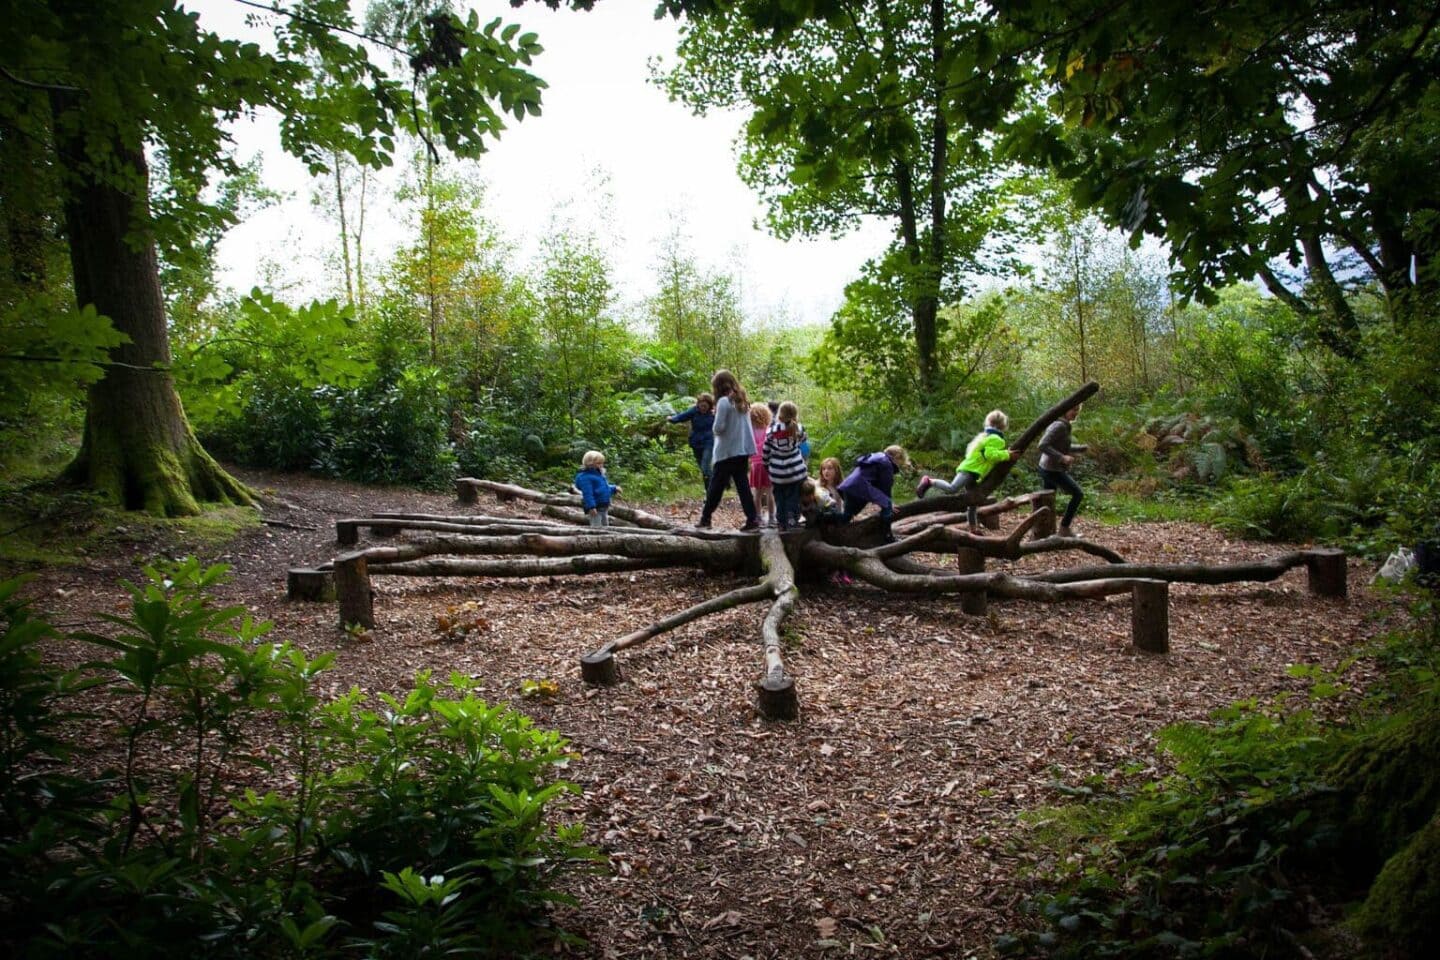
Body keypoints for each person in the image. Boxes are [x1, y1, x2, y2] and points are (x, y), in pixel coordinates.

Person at [916, 410, 1018, 533]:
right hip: (970, 470)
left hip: (974, 472)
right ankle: (929, 481)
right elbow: (989, 454)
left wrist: (1003, 454)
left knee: (972, 501)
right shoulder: (996, 438)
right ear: (1003, 426)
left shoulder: (986, 436)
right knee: (953, 488)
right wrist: (1007, 454)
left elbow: (987, 454)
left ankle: (972, 528)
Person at [697, 370, 760, 531]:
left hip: (726, 452)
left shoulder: (724, 402)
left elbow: (718, 428)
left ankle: (706, 518)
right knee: (743, 486)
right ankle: (752, 519)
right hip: (741, 451)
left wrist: (716, 416)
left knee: (715, 488)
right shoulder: (743, 402)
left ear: (718, 386)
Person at [1037, 403, 1089, 537]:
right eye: (1073, 409)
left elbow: (1061, 446)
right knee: (1078, 494)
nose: (1076, 412)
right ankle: (1064, 528)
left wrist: (1080, 448)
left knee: (1048, 500)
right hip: (1051, 469)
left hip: (1048, 467)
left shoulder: (1063, 425)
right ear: (1065, 411)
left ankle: (1044, 532)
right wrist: (1062, 458)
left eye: (1078, 410)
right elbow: (1042, 445)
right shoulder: (1059, 425)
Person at [838, 445, 909, 542]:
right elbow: (885, 486)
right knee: (887, 505)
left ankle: (825, 518)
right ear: (897, 457)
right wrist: (888, 503)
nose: (900, 464)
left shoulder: (875, 457)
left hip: (849, 486)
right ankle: (887, 537)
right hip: (860, 487)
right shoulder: (886, 463)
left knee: (846, 516)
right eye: (901, 461)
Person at [764, 401, 809, 530]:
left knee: (779, 497)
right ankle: (792, 520)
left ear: (779, 414)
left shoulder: (771, 431)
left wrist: (767, 465)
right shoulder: (799, 428)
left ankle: (781, 523)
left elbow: (766, 451)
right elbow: (804, 444)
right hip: (796, 472)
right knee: (793, 497)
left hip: (778, 473)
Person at [666, 393, 716, 488]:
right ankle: (710, 492)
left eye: (705, 406)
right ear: (698, 404)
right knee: (703, 469)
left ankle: (713, 489)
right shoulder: (694, 411)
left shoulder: (713, 414)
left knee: (705, 468)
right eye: (701, 406)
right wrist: (672, 419)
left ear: (709, 406)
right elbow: (682, 416)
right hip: (696, 442)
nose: (703, 408)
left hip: (708, 443)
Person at [574, 450, 621, 527]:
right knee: (596, 526)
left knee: (605, 525)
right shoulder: (586, 477)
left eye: (602, 463)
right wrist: (591, 507)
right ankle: (595, 538)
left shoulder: (599, 474)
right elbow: (587, 494)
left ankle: (607, 538)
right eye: (598, 463)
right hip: (596, 506)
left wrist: (614, 488)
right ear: (590, 463)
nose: (601, 465)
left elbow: (603, 488)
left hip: (603, 505)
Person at [749, 402, 776, 527]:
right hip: (769, 463)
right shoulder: (769, 430)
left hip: (755, 465)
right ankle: (772, 518)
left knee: (757, 493)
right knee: (771, 492)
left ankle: (758, 517)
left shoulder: (750, 431)